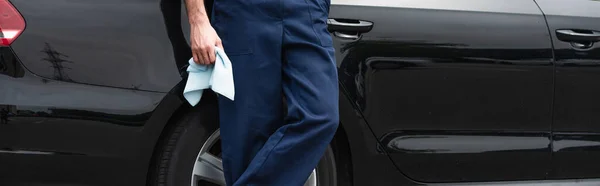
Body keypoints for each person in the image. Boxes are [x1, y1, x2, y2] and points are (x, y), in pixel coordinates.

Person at [184, 0, 339, 185]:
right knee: (248, 138)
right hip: (244, 11)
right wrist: (198, 20)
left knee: (321, 115)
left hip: (306, 11)